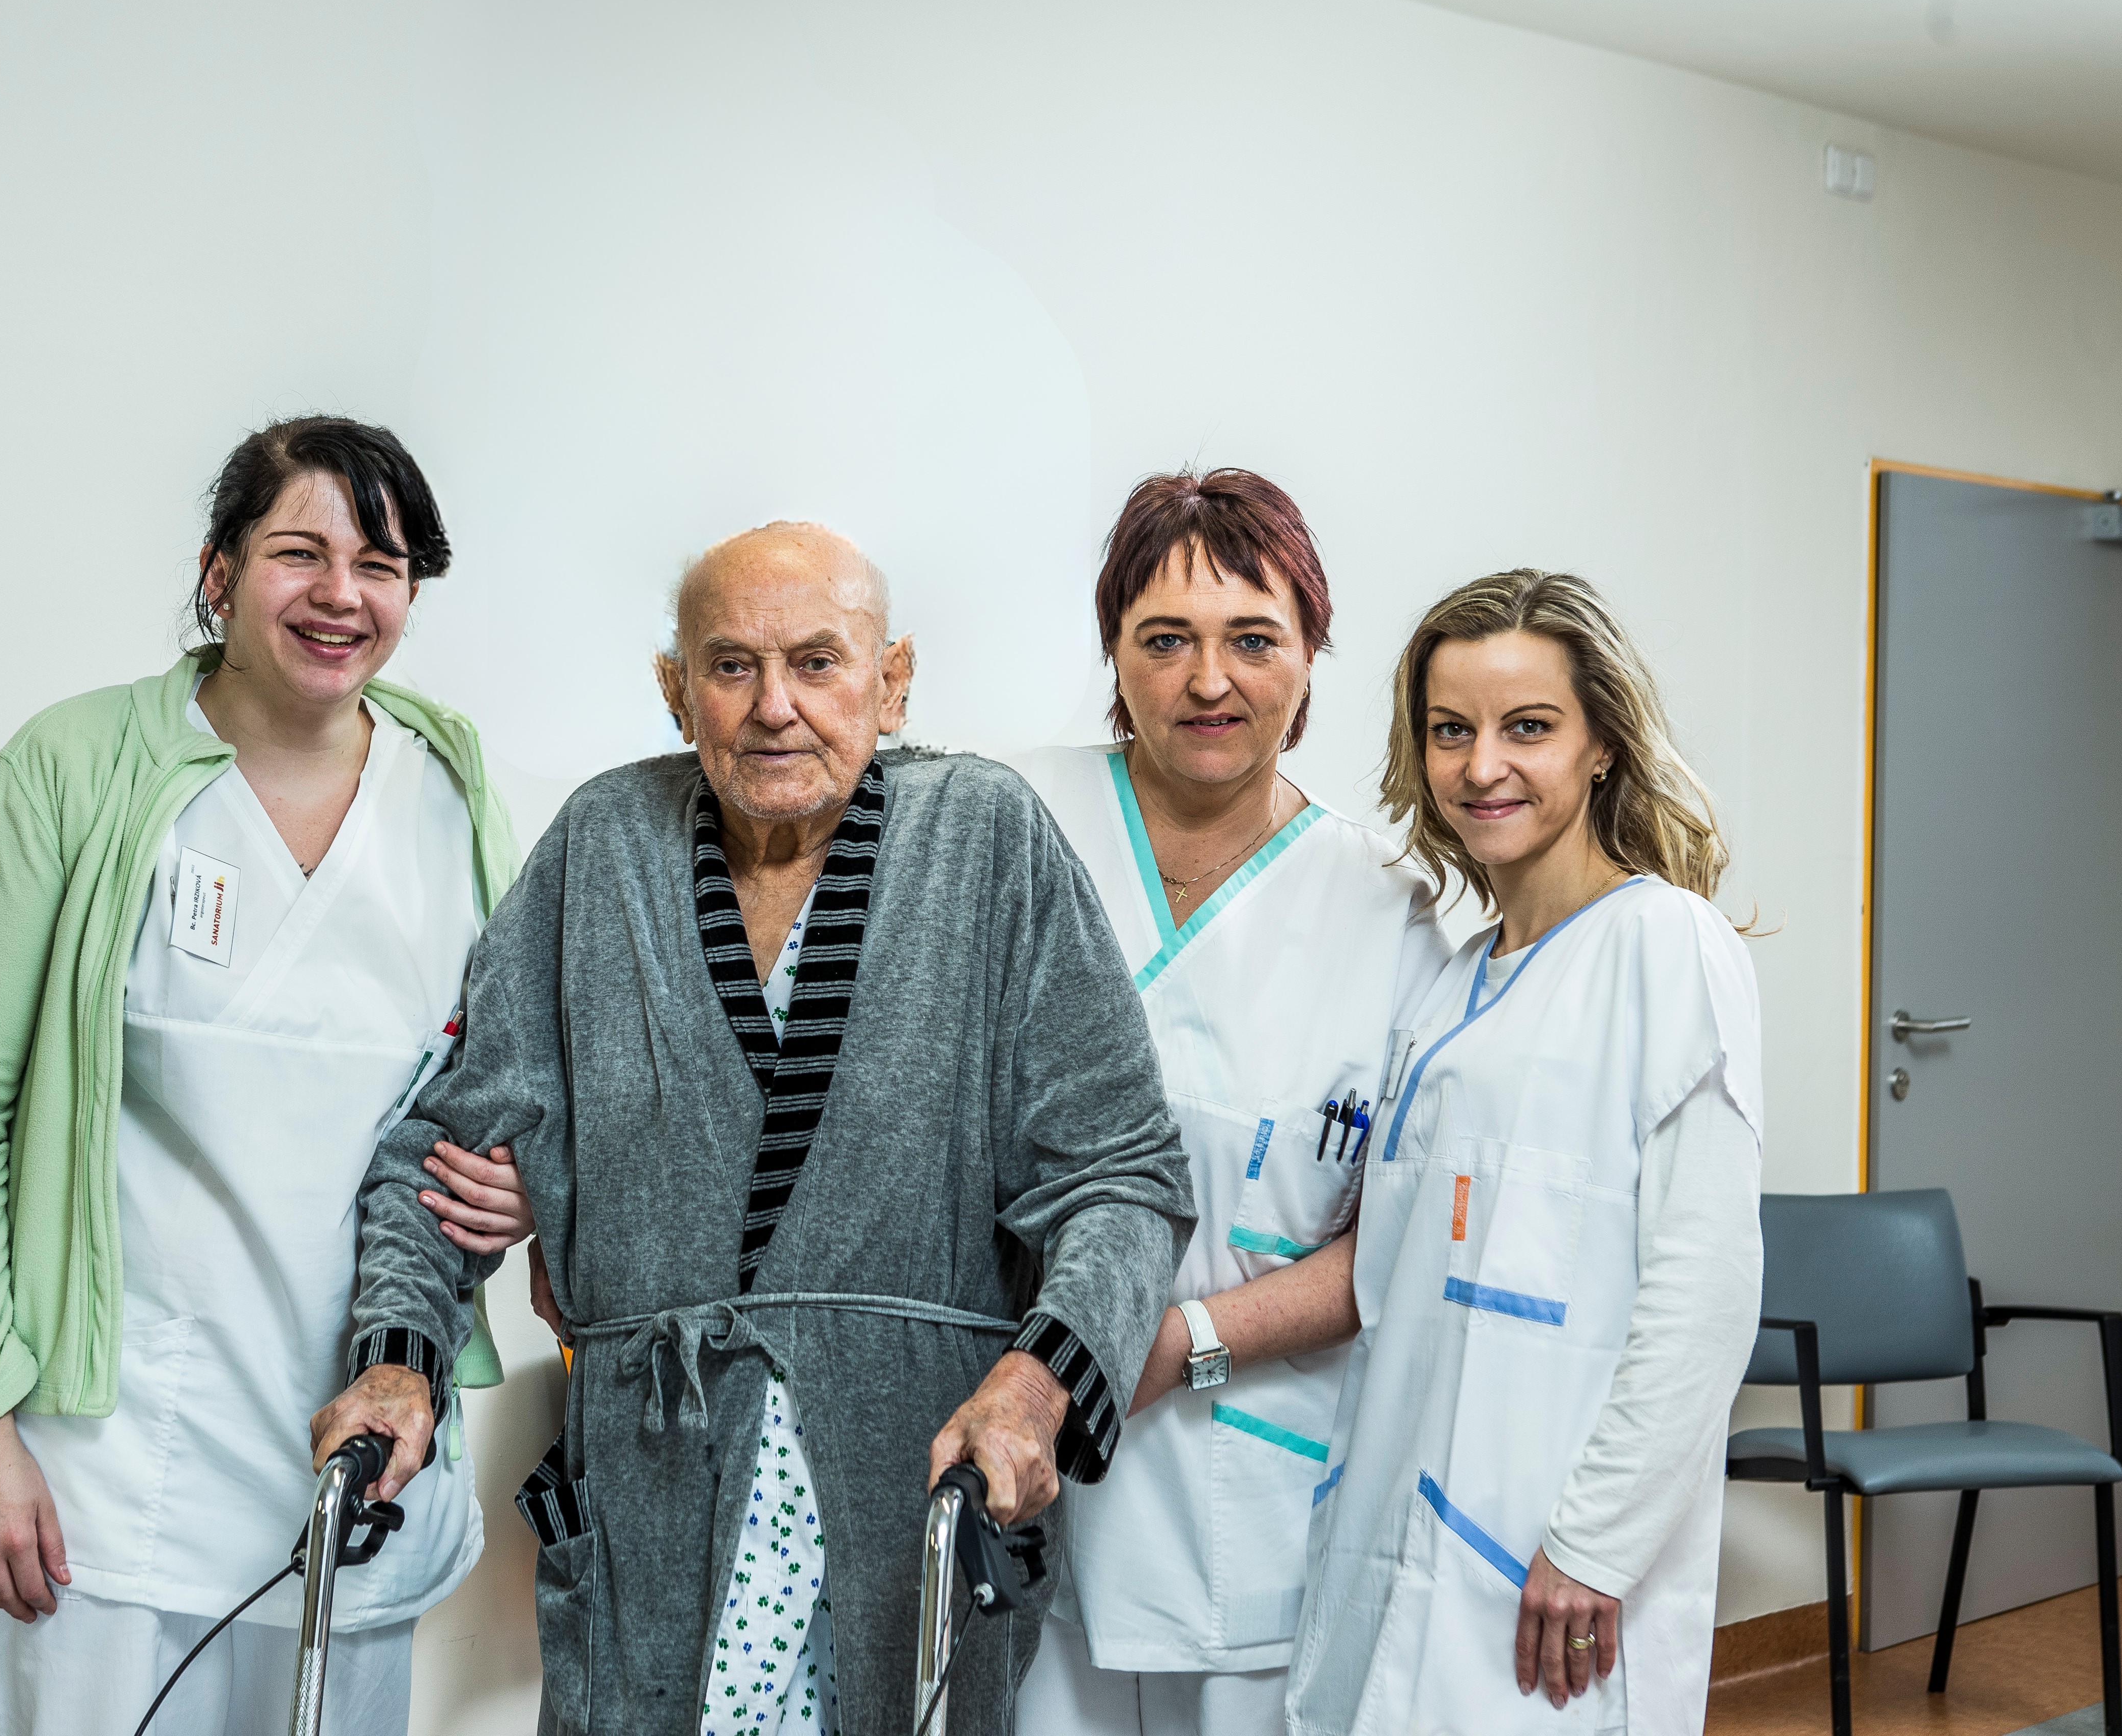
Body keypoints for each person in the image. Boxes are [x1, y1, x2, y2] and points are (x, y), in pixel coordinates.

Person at [306, 521, 1195, 1736]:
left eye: (818, 662)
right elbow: (436, 1152)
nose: (775, 705)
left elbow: (1121, 1174)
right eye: (731, 666)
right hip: (654, 1501)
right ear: (677, 691)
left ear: (892, 680)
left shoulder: (986, 838)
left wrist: (1039, 1390)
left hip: (913, 1481)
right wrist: (396, 1359)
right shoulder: (602, 847)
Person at [0, 416, 529, 1733]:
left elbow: (497, 1094)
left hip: (360, 1455)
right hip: (102, 1472)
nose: (341, 594)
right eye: (301, 552)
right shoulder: (75, 768)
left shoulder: (450, 793)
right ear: (220, 569)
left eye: (382, 565)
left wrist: (521, 1189)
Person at [1284, 570, 1764, 1736]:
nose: (1482, 765)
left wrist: (1597, 1541)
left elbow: (1705, 1291)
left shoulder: (1666, 945)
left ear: (1602, 744)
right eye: (1451, 730)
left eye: (1529, 727)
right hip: (1402, 1521)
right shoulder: (1454, 985)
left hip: (1551, 1557)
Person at [1009, 470, 1450, 1736]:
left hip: (1256, 1469)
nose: (1210, 681)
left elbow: (1401, 1239)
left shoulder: (1393, 910)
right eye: (1166, 640)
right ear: (1114, 652)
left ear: (1310, 659)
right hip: (1022, 1438)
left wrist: (1182, 1342)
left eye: (1254, 639)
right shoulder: (1014, 823)